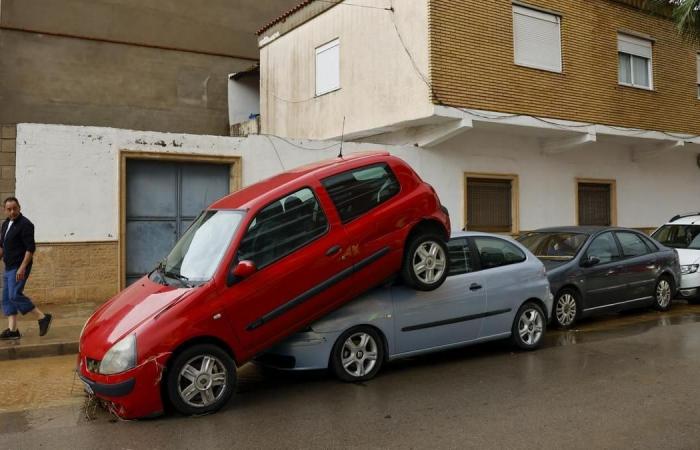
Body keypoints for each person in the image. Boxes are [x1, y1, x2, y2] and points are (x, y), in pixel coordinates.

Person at [0, 197, 51, 339]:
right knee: (6, 299)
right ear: (4, 210)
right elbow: (2, 246)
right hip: (9, 266)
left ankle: (42, 317)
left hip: (19, 266)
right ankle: (13, 331)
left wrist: (22, 268)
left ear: (19, 207)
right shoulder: (5, 224)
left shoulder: (26, 224)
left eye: (14, 208)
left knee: (14, 295)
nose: (12, 212)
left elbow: (30, 249)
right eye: (9, 209)